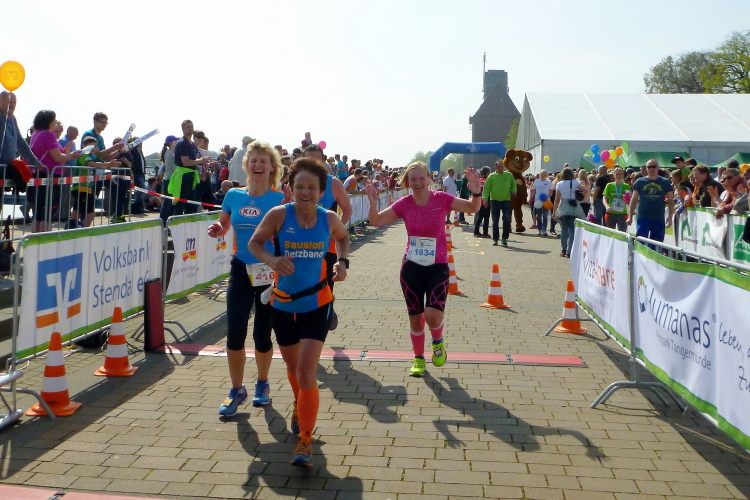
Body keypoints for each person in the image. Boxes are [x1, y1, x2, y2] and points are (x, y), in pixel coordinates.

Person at [249, 157, 350, 468]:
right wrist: (272, 261)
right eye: (300, 187)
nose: (306, 192)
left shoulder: (328, 218)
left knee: (307, 374)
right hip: (282, 305)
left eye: (312, 187)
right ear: (290, 189)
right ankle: (299, 404)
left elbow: (343, 237)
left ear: (321, 191)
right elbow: (255, 243)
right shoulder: (279, 215)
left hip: (317, 304)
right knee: (294, 372)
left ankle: (305, 440)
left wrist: (342, 262)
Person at [364, 161, 481, 378]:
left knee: (432, 315)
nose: (417, 183)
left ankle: (437, 342)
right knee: (416, 318)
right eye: (413, 179)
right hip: (412, 267)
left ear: (429, 179)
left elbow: (472, 208)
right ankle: (418, 358)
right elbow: (376, 221)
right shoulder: (404, 204)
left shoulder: (442, 199)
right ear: (407, 181)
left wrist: (476, 193)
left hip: (438, 266)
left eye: (421, 178)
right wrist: (372, 203)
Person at [208, 141, 284, 417]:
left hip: (268, 271)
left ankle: (262, 383)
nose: (258, 165)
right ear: (246, 165)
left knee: (262, 333)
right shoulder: (233, 195)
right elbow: (224, 224)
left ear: (272, 167)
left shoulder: (280, 199)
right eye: (253, 160)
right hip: (240, 269)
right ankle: (236, 389)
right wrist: (218, 228)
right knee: (235, 331)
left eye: (263, 161)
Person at [304, 144, 352, 330]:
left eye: (316, 160)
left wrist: (337, 229)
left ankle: (324, 317)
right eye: (308, 159)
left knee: (325, 286)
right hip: (301, 245)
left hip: (327, 246)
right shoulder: (297, 182)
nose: (312, 164)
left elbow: (347, 209)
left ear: (323, 161)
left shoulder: (333, 183)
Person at [28, 110, 81, 232]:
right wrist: (72, 155)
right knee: (49, 210)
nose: (55, 123)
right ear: (49, 122)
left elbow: (52, 152)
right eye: (54, 120)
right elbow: (57, 157)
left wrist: (65, 151)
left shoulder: (36, 133)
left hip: (39, 173)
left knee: (39, 210)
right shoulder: (48, 135)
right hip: (50, 174)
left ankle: (35, 236)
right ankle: (45, 237)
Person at [70, 136, 121, 228]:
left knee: (77, 209)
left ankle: (75, 227)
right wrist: (108, 164)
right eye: (90, 146)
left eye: (95, 146)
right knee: (90, 212)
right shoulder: (83, 155)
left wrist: (118, 153)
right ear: (84, 146)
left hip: (87, 187)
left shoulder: (93, 156)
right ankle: (82, 228)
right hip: (80, 187)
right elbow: (92, 164)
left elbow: (103, 162)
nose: (93, 148)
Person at [627, 159, 675, 243]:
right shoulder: (640, 181)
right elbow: (634, 199)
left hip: (658, 217)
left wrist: (670, 217)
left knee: (656, 244)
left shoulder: (665, 182)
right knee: (641, 241)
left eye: (654, 167)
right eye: (649, 167)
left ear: (658, 168)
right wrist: (630, 216)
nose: (651, 169)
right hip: (643, 216)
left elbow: (671, 200)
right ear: (646, 168)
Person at [170, 120, 211, 215]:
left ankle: (188, 221)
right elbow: (186, 162)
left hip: (191, 174)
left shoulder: (191, 144)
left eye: (191, 126)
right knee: (181, 202)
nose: (190, 128)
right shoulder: (183, 143)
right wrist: (201, 160)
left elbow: (193, 160)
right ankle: (177, 222)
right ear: (183, 129)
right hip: (184, 176)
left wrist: (202, 160)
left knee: (192, 203)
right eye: (188, 127)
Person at [0, 91, 42, 185]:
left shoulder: (12, 118)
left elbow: (20, 142)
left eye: (14, 102)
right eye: (9, 102)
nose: (12, 105)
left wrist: (34, 161)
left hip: (7, 169)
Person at [482, 159, 516, 247]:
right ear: (495, 167)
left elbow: (513, 184)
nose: (501, 169)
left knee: (507, 219)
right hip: (494, 201)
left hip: (506, 200)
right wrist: (485, 199)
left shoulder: (509, 175)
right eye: (499, 167)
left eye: (502, 167)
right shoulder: (491, 176)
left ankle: (504, 238)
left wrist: (514, 190)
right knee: (495, 220)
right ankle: (495, 239)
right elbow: (486, 188)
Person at [551, 167, 584, 257]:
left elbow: (557, 199)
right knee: (572, 229)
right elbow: (585, 190)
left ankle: (563, 249)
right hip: (574, 207)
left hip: (563, 207)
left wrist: (554, 211)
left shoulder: (559, 184)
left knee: (564, 229)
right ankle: (570, 250)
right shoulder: (575, 182)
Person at [158, 135, 179, 223]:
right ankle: (162, 221)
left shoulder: (174, 152)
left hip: (173, 180)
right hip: (168, 180)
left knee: (172, 202)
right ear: (171, 143)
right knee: (167, 202)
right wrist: (173, 148)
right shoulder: (167, 152)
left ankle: (169, 220)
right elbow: (168, 162)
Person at [602, 167, 631, 232]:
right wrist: (607, 206)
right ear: (614, 175)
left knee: (622, 233)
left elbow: (629, 199)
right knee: (610, 233)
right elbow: (604, 198)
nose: (618, 176)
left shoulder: (626, 186)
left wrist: (630, 206)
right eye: (617, 174)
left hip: (622, 213)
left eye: (620, 174)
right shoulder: (609, 185)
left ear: (623, 175)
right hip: (611, 212)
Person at [531, 169, 553, 236]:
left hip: (546, 201)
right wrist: (530, 198)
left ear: (546, 175)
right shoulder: (536, 181)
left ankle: (544, 230)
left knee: (545, 216)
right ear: (539, 175)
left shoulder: (549, 182)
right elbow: (533, 191)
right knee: (538, 216)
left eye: (544, 174)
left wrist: (547, 197)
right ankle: (539, 229)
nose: (543, 176)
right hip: (538, 201)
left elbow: (551, 191)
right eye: (541, 174)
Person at [473, 166, 491, 238]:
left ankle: (476, 231)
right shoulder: (488, 181)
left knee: (479, 217)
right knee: (486, 217)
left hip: (479, 201)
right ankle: (485, 232)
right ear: (487, 173)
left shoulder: (479, 180)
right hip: (486, 200)